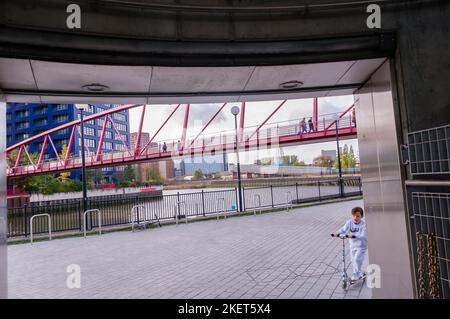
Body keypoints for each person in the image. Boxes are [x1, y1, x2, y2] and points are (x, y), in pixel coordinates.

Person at [333, 206, 367, 281]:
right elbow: (343, 229)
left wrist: (354, 235)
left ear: (361, 216)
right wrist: (337, 233)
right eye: (354, 215)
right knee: (353, 260)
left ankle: (356, 275)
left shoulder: (364, 224)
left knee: (357, 259)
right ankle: (361, 272)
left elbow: (363, 235)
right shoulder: (349, 222)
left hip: (361, 246)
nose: (355, 217)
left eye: (358, 216)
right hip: (353, 245)